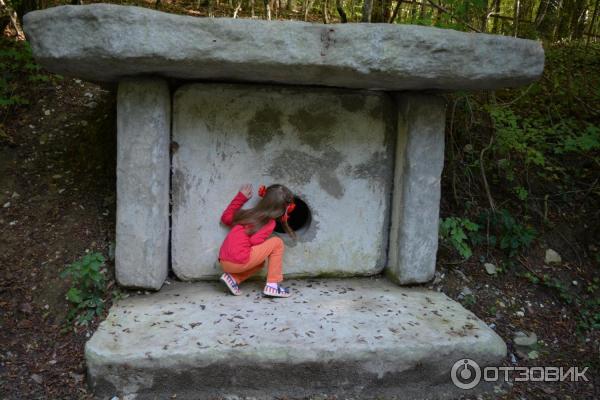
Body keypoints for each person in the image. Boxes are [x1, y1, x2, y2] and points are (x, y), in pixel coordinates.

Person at [218, 183, 296, 298]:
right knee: (277, 243)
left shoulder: (247, 213)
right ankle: (272, 286)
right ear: (282, 210)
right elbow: (255, 241)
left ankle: (233, 279)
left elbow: (226, 217)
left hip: (224, 261)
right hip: (239, 261)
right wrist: (266, 240)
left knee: (259, 263)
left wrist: (241, 197)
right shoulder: (269, 223)